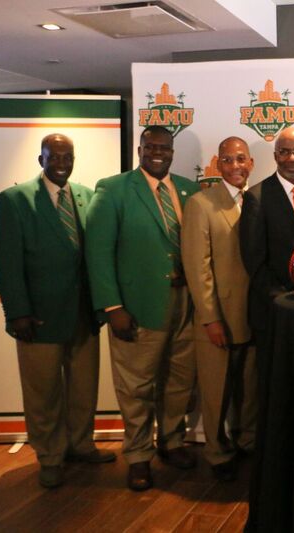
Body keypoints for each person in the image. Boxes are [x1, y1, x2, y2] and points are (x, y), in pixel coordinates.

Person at [0, 133, 115, 489]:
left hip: (83, 314)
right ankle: (49, 456)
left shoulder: (87, 195)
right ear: (41, 159)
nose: (61, 163)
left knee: (83, 389)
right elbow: (6, 262)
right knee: (43, 393)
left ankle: (81, 445)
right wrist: (17, 312)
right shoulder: (15, 199)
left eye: (67, 157)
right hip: (38, 317)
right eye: (54, 156)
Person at [86, 125, 201, 491]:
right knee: (136, 386)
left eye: (164, 147)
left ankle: (172, 441)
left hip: (186, 303)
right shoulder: (114, 189)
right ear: (139, 150)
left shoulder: (190, 190)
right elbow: (98, 252)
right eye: (150, 147)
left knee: (179, 379)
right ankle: (138, 456)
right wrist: (112, 306)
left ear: (172, 152)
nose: (157, 153)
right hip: (136, 306)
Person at [240, 126, 294, 531]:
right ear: (275, 156)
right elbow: (253, 261)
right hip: (275, 313)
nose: (293, 158)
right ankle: (277, 465)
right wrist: (283, 300)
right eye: (285, 151)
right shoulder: (257, 197)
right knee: (275, 390)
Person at [181, 136, 256, 482]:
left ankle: (247, 442)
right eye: (228, 159)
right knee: (216, 391)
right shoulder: (201, 203)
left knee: (249, 389)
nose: (235, 166)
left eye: (241, 159)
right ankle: (216, 451)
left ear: (251, 163)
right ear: (217, 164)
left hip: (253, 315)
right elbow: (198, 268)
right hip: (220, 317)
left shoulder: (256, 200)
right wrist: (210, 319)